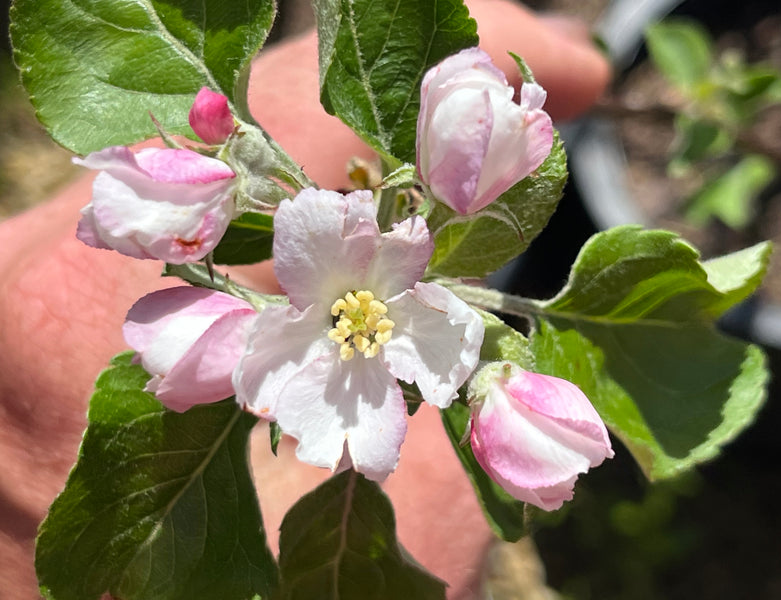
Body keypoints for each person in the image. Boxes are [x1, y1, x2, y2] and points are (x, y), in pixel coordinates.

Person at [0, 1, 610, 597]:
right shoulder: (284, 322)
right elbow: (279, 356)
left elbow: (439, 335)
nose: (359, 323)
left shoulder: (440, 331)